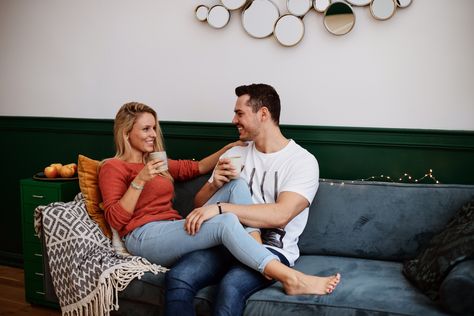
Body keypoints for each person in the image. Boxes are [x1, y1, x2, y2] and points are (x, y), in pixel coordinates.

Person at [98, 101, 340, 307]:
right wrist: (140, 180)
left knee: (236, 185)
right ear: (126, 132)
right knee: (225, 221)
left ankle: (253, 245)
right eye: (146, 129)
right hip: (143, 237)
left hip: (172, 229)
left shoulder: (156, 161)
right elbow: (116, 220)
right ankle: (290, 278)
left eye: (154, 128)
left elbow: (197, 167)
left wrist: (229, 149)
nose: (153, 134)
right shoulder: (112, 167)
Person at [165, 84, 341, 316]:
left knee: (230, 287)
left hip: (270, 249)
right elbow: (200, 208)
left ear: (264, 114)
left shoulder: (302, 161)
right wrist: (214, 184)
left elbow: (281, 214)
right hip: (222, 244)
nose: (233, 120)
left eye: (240, 113)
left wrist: (222, 208)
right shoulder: (234, 154)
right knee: (178, 276)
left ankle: (291, 279)